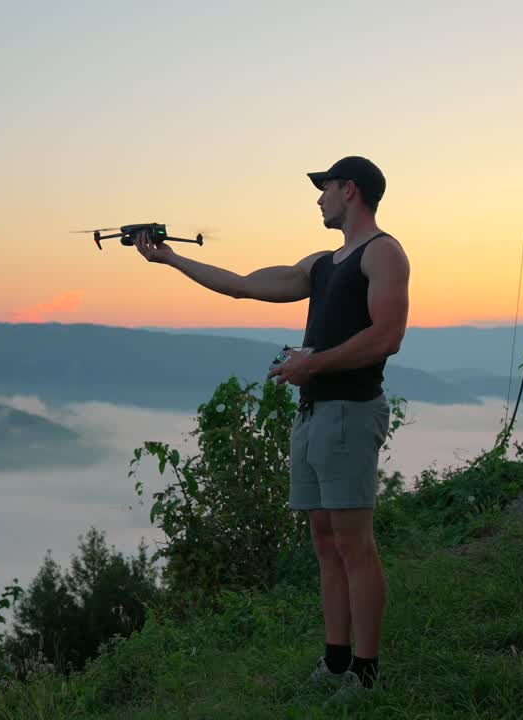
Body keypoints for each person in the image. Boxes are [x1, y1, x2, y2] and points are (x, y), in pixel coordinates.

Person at [134, 155, 410, 693]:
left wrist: (313, 363)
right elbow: (241, 285)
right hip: (314, 413)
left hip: (350, 412)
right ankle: (335, 662)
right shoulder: (324, 264)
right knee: (324, 538)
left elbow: (388, 337)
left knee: (355, 543)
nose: (318, 198)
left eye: (324, 188)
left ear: (349, 190)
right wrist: (169, 259)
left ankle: (367, 672)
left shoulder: (384, 254)